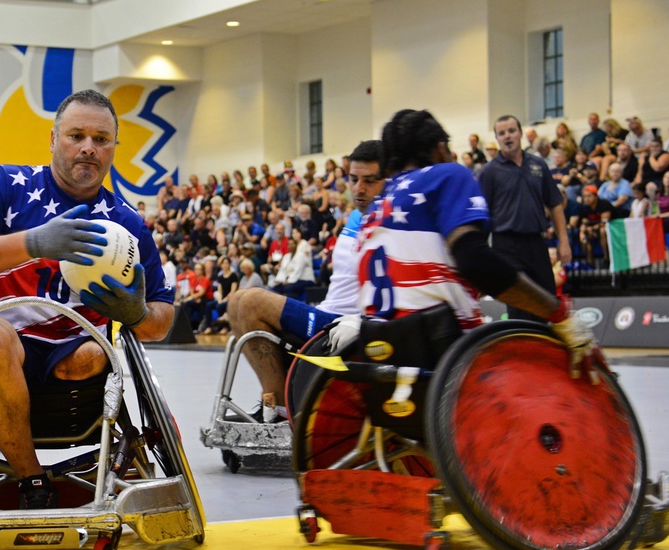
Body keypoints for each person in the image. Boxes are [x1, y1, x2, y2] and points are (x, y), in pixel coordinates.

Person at [0, 90, 174, 509]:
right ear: (52, 139)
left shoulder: (126, 223)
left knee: (92, 355)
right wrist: (33, 242)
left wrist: (136, 312)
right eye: (76, 135)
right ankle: (32, 482)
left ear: (113, 149)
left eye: (101, 139)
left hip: (73, 350)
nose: (88, 147)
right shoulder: (4, 186)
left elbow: (161, 320)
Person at [328, 109, 602, 390]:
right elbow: (475, 261)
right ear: (440, 148)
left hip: (381, 352)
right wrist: (560, 314)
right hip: (442, 351)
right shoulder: (448, 175)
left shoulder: (373, 208)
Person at [227, 140, 386, 424]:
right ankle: (272, 400)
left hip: (343, 323)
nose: (359, 188)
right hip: (329, 311)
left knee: (252, 302)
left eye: (370, 181)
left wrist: (364, 320)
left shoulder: (390, 220)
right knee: (236, 300)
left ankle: (279, 409)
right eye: (354, 179)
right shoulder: (355, 215)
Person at [479, 114, 571, 321]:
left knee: (547, 302)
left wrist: (563, 242)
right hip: (506, 246)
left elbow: (555, 203)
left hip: (536, 243)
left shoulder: (538, 165)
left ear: (520, 133)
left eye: (511, 131)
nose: (507, 136)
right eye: (501, 133)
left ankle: (546, 350)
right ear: (497, 138)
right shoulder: (489, 172)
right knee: (519, 306)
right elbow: (481, 215)